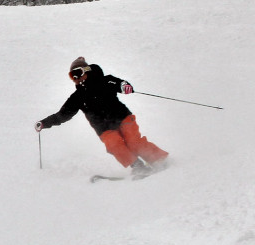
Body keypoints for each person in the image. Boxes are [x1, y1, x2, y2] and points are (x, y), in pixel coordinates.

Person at [35, 57, 169, 177]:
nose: (77, 78)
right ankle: (138, 167)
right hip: (104, 128)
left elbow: (119, 83)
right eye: (72, 76)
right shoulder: (77, 97)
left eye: (79, 73)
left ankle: (159, 160)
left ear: (86, 71)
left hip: (122, 118)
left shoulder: (104, 81)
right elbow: (62, 115)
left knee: (133, 142)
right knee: (113, 144)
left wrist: (125, 86)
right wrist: (44, 123)